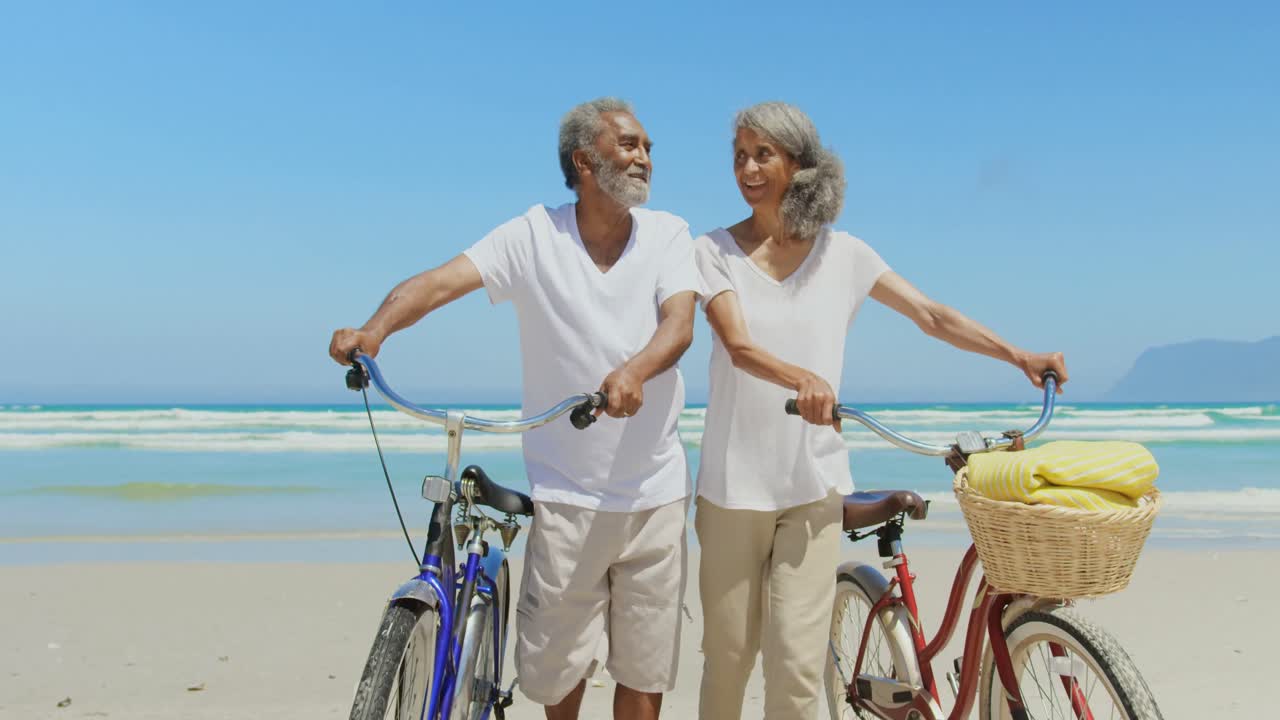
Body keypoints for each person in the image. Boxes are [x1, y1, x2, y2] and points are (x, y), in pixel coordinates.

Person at [692, 101, 1069, 719]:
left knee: (796, 668)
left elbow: (932, 316)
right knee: (729, 660)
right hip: (732, 489)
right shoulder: (713, 251)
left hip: (812, 487)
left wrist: (1016, 354)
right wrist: (802, 378)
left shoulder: (845, 254)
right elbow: (736, 345)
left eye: (764, 154)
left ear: (799, 164)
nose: (748, 167)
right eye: (739, 155)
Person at [329, 97, 699, 720]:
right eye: (630, 145)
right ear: (585, 161)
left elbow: (680, 323)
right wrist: (373, 331)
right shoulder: (533, 234)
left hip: (654, 495)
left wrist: (634, 371)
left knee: (643, 674)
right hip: (566, 493)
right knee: (555, 678)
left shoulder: (669, 234)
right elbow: (438, 283)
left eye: (648, 148)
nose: (645, 158)